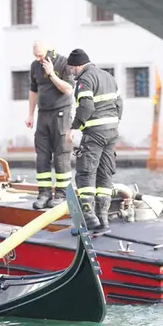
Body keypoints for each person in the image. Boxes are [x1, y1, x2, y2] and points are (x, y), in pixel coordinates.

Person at [65, 49, 123, 231]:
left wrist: (74, 126)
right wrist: (113, 123)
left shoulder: (85, 80)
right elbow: (119, 104)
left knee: (86, 173)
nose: (71, 72)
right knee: (105, 173)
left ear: (79, 65)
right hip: (112, 132)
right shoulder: (108, 77)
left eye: (72, 68)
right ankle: (103, 219)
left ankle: (89, 218)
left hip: (95, 133)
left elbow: (87, 105)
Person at [25, 41, 75, 210]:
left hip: (62, 114)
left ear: (49, 52)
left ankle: (61, 194)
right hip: (43, 114)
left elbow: (68, 89)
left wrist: (52, 74)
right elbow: (33, 91)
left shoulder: (64, 63)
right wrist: (30, 114)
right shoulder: (35, 66)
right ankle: (44, 193)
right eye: (35, 55)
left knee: (61, 155)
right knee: (42, 156)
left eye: (40, 55)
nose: (38, 59)